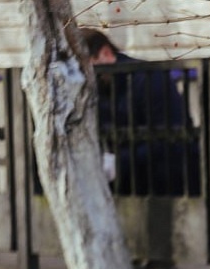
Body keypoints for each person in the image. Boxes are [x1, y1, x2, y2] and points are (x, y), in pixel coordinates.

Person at [81, 29, 200, 196]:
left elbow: (170, 137)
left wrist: (120, 162)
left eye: (86, 67)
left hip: (168, 184)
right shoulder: (96, 88)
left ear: (106, 53)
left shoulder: (149, 79)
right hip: (128, 184)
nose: (84, 76)